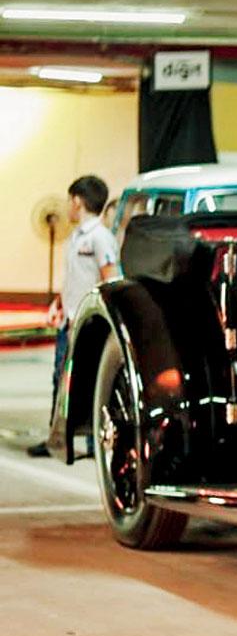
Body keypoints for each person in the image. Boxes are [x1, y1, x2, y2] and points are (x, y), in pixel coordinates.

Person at [27, 176, 119, 458]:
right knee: (61, 380)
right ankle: (59, 439)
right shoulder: (75, 237)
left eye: (70, 201)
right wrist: (59, 302)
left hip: (89, 323)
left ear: (78, 201)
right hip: (69, 320)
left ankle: (95, 444)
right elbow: (73, 278)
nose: (67, 206)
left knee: (91, 379)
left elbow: (109, 278)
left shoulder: (100, 237)